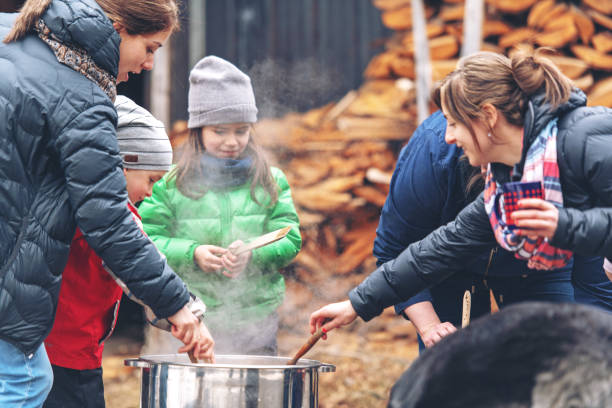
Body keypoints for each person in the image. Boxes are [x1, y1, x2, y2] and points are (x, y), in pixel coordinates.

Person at [310, 48, 612, 335]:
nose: (448, 136)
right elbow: (443, 247)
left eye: (454, 123)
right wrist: (357, 303)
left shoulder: (586, 140)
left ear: (489, 117)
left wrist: (565, 225)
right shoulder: (508, 184)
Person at [0, 1, 213, 406]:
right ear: (116, 29)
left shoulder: (14, 41)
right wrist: (180, 307)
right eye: (150, 48)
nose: (150, 64)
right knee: (25, 382)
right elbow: (109, 222)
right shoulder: (80, 93)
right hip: (39, 327)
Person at [43, 96, 206, 408]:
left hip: (75, 350)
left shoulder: (90, 203)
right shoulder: (107, 214)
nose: (151, 191)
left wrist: (182, 318)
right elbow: (136, 265)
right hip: (64, 353)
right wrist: (188, 313)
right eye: (150, 179)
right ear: (121, 164)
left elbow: (143, 283)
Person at [139, 56, 301, 355]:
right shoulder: (170, 183)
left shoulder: (269, 179)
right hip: (191, 315)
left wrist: (253, 253)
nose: (232, 141)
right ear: (199, 129)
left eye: (241, 130)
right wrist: (192, 252)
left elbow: (289, 237)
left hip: (256, 318)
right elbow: (146, 242)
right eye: (220, 131)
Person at [376, 110, 577, 350]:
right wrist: (430, 327)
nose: (450, 135)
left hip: (534, 263)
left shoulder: (561, 154)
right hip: (446, 267)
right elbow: (395, 249)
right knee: (452, 368)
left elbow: (590, 264)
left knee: (558, 353)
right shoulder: (433, 152)